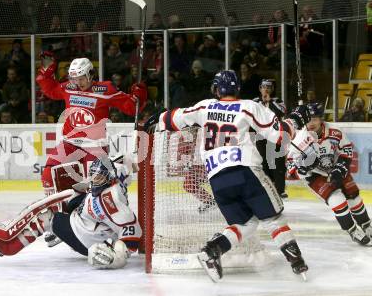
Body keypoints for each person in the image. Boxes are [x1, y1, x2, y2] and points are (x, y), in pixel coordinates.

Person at [144, 70, 310, 282]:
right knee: (272, 218)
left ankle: (212, 250)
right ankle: (296, 261)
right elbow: (279, 135)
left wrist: (156, 120)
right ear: (237, 88)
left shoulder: (204, 106)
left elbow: (174, 117)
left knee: (245, 224)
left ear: (216, 89)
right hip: (245, 171)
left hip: (217, 179)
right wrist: (296, 119)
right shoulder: (248, 106)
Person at [0, 157, 142, 270]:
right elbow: (126, 164)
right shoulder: (117, 174)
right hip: (89, 220)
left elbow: (132, 230)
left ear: (109, 178)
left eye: (99, 178)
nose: (94, 181)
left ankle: (7, 248)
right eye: (93, 176)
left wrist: (118, 255)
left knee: (47, 217)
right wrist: (136, 164)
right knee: (70, 200)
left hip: (85, 238)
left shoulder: (110, 201)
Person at [36, 52, 147, 197]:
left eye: (81, 78)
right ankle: (55, 209)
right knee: (48, 174)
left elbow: (131, 108)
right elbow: (50, 90)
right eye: (74, 79)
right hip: (70, 142)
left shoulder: (105, 90)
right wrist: (47, 72)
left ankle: (93, 212)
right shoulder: (69, 88)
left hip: (95, 146)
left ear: (90, 74)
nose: (77, 83)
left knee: (95, 185)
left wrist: (139, 95)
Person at [287, 103, 372, 246]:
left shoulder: (335, 131)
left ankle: (366, 225)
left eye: (314, 119)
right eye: (308, 119)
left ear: (321, 119)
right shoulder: (299, 138)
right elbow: (290, 165)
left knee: (353, 196)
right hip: (314, 175)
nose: (311, 123)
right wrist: (302, 168)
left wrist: (340, 167)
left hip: (334, 168)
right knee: (336, 199)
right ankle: (352, 230)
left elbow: (347, 149)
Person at [253, 79, 288, 199]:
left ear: (272, 89)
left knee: (278, 162)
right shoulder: (255, 102)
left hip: (276, 135)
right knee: (263, 162)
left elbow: (282, 112)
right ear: (260, 88)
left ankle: (280, 190)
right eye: (263, 87)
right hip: (260, 135)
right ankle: (268, 188)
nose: (266, 89)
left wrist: (269, 102)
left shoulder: (278, 101)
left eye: (268, 87)